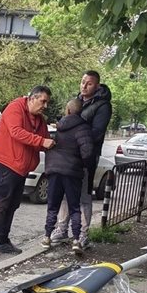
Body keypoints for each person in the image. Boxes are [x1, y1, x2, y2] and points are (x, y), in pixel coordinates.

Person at [0, 85, 56, 261]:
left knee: (12, 204)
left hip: (21, 169)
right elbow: (16, 132)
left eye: (46, 102)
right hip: (5, 165)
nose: (45, 106)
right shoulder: (15, 108)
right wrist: (41, 141)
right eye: (43, 101)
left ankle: (3, 240)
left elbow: (45, 141)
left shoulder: (39, 119)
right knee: (1, 205)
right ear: (32, 98)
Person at [50, 70, 112, 250]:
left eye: (89, 83)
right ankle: (62, 229)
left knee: (84, 195)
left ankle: (83, 234)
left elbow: (96, 133)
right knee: (64, 194)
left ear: (97, 86)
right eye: (83, 82)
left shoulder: (102, 106)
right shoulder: (76, 101)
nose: (84, 86)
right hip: (68, 156)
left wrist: (72, 136)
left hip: (85, 157)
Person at [41, 99, 95, 252]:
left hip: (54, 170)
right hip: (72, 172)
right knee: (74, 207)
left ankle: (47, 237)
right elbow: (87, 152)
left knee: (53, 206)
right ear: (80, 111)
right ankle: (77, 240)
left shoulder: (59, 127)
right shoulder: (83, 128)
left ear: (68, 110)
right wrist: (83, 164)